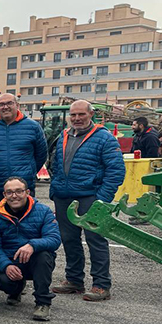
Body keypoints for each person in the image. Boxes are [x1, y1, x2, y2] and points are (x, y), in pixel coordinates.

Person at [49, 100, 125, 301]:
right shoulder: (63, 136)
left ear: (91, 114)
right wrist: (55, 191)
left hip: (90, 197)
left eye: (81, 114)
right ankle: (74, 280)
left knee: (95, 239)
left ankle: (101, 284)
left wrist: (101, 200)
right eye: (73, 115)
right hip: (64, 197)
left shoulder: (104, 139)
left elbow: (116, 171)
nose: (77, 119)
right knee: (69, 239)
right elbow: (55, 165)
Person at [0, 177, 61, 321]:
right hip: (11, 261)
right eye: (9, 192)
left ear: (27, 192)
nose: (14, 196)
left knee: (44, 256)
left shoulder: (44, 211)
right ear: (4, 195)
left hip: (35, 260)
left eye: (18, 191)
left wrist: (32, 245)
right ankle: (15, 290)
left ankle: (43, 303)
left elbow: (54, 239)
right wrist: (6, 265)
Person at [0, 93, 47, 213]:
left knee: (26, 223)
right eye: (2, 104)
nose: (5, 107)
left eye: (9, 103)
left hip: (23, 189)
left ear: (17, 105)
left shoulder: (33, 127)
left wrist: (29, 171)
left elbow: (41, 154)